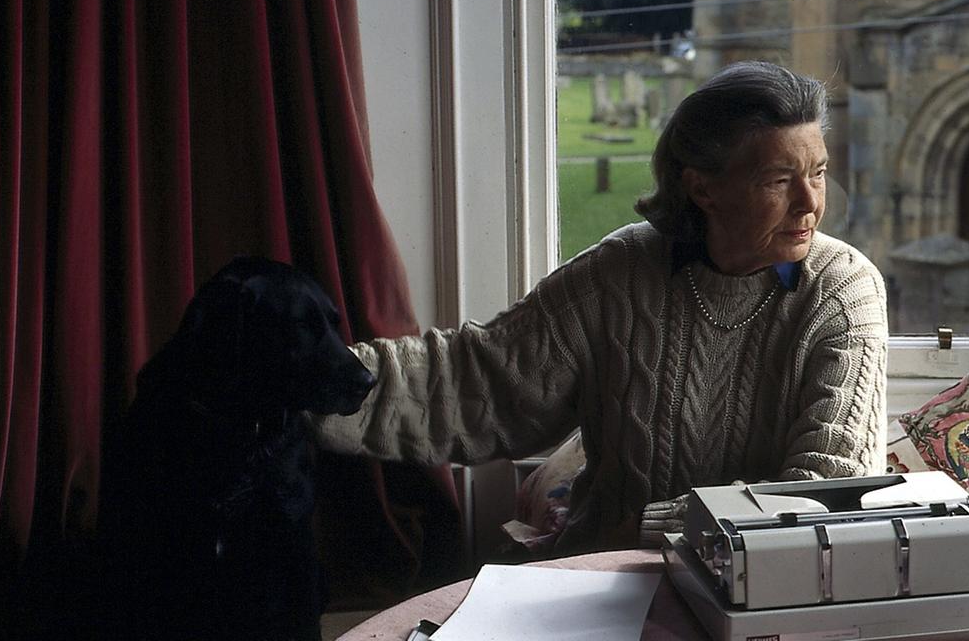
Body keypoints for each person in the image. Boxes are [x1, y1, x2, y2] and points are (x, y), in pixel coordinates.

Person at [312, 60, 888, 555]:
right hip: (599, 583)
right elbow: (476, 379)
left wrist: (654, 525)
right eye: (779, 179)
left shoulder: (841, 292)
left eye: (817, 172)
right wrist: (313, 383)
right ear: (701, 188)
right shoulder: (619, 273)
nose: (811, 203)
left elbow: (827, 499)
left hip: (762, 598)